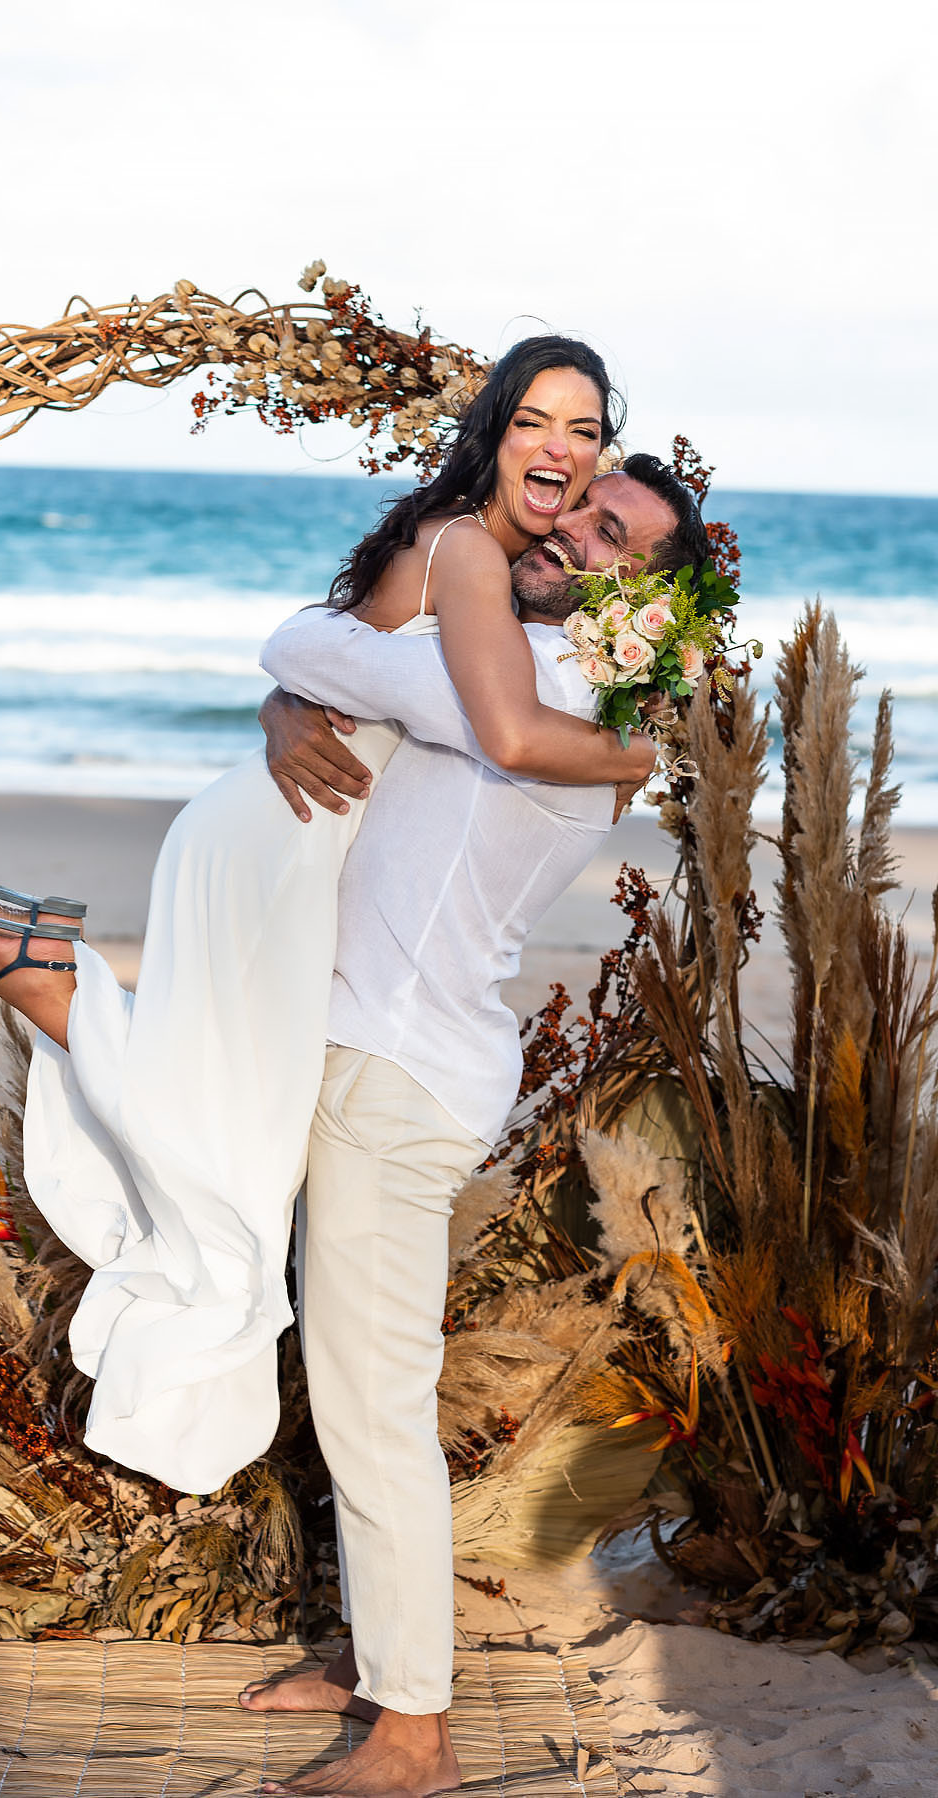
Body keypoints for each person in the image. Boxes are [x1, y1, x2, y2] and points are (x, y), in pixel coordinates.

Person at [236, 454, 706, 1798]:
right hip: (386, 1050)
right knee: (354, 1386)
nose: (570, 529)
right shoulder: (555, 691)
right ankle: (379, 1661)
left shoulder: (537, 693)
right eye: (580, 503)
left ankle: (416, 1732)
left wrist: (432, 556)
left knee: (373, 1400)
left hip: (395, 1073)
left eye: (615, 535)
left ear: (650, 604)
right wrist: (288, 717)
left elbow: (302, 639)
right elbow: (333, 682)